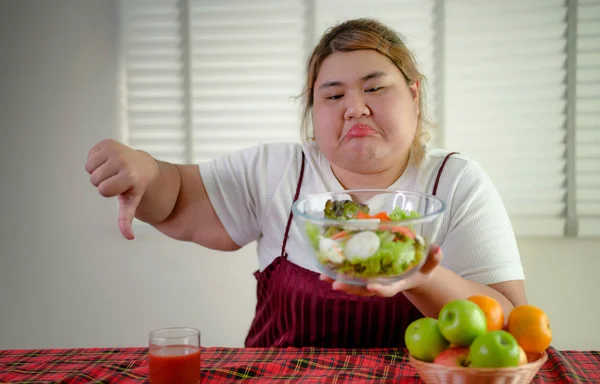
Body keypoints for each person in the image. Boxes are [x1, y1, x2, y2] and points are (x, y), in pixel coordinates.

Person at [85, 18, 526, 348]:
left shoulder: (457, 182)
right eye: (333, 96)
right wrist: (143, 168)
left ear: (413, 93)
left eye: (375, 88)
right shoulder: (277, 170)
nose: (355, 108)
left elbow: (509, 324)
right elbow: (176, 194)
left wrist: (418, 277)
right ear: (313, 112)